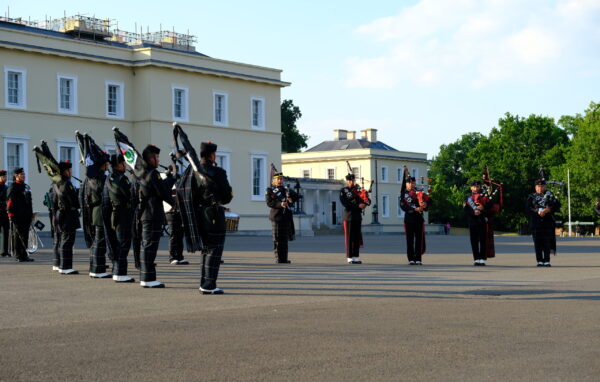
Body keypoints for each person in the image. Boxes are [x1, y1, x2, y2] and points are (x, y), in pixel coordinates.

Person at [193, 142, 233, 294]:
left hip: (199, 214)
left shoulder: (193, 171)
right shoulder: (217, 172)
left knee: (206, 250)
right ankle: (209, 284)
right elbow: (227, 196)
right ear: (212, 155)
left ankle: (204, 282)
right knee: (214, 250)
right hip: (213, 214)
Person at [138, 145, 176, 288]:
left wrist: (170, 176)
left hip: (147, 214)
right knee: (150, 247)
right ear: (151, 158)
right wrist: (174, 203)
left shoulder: (144, 172)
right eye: (157, 157)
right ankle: (148, 278)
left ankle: (146, 277)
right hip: (152, 214)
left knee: (148, 246)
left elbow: (160, 187)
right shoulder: (153, 173)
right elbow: (163, 192)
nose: (158, 159)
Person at [106, 154, 135, 282]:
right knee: (123, 244)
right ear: (118, 165)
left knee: (117, 243)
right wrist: (135, 180)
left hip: (114, 214)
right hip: (123, 214)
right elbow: (130, 194)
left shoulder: (109, 178)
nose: (125, 165)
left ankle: (116, 270)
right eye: (123, 163)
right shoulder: (123, 179)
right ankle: (120, 273)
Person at [86, 155, 112, 278]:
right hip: (99, 211)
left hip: (98, 211)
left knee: (99, 242)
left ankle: (97, 267)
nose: (108, 166)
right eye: (106, 164)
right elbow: (103, 192)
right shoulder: (98, 179)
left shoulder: (96, 178)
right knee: (99, 242)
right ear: (102, 166)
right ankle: (97, 269)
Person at [52, 161, 80, 274]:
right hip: (68, 214)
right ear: (65, 171)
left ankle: (62, 265)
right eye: (69, 170)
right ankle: (66, 267)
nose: (71, 172)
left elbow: (54, 201)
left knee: (64, 240)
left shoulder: (56, 183)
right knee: (67, 240)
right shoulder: (67, 184)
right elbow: (75, 201)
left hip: (60, 214)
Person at [526, 179, 560, 267]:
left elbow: (557, 207)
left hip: (547, 223)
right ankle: (539, 260)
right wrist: (537, 211)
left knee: (547, 242)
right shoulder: (531, 196)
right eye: (538, 186)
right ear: (535, 187)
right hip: (536, 222)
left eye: (542, 186)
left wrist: (549, 209)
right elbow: (527, 208)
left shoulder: (550, 195)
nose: (540, 188)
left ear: (545, 187)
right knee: (537, 242)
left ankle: (547, 260)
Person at [266, 170, 298, 264]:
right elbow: (269, 202)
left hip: (286, 217)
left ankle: (284, 258)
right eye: (278, 179)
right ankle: (278, 258)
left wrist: (291, 199)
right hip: (276, 217)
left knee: (284, 239)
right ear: (274, 180)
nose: (280, 180)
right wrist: (281, 204)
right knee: (277, 239)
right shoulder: (270, 190)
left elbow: (296, 196)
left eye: (281, 178)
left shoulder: (286, 189)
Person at [400, 176, 431, 265]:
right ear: (406, 184)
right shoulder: (404, 193)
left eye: (413, 183)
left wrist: (425, 204)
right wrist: (414, 209)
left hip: (419, 219)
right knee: (410, 240)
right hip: (409, 219)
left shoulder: (419, 191)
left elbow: (429, 201)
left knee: (419, 240)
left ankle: (418, 258)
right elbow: (403, 206)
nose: (411, 184)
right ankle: (411, 258)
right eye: (409, 183)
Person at [7, 168, 34, 262]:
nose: (23, 176)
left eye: (24, 174)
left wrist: (31, 214)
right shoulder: (13, 187)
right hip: (17, 215)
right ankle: (18, 255)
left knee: (25, 235)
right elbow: (10, 201)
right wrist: (10, 214)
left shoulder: (26, 186)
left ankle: (24, 255)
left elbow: (30, 202)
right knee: (18, 236)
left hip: (26, 215)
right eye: (21, 174)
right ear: (16, 176)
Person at [464, 181, 494, 266]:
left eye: (477, 186)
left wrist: (483, 208)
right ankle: (476, 258)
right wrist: (474, 212)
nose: (476, 188)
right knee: (474, 241)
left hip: (482, 220)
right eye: (474, 186)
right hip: (472, 221)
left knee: (483, 240)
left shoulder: (484, 197)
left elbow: (491, 206)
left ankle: (482, 258)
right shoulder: (467, 198)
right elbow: (466, 210)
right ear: (471, 188)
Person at [339, 173, 366, 264]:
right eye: (350, 181)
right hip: (349, 217)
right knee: (349, 238)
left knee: (357, 237)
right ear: (347, 181)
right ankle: (349, 257)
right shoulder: (344, 191)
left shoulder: (358, 190)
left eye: (353, 180)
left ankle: (356, 256)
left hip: (357, 216)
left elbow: (364, 201)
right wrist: (358, 205)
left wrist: (364, 203)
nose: (352, 182)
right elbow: (346, 204)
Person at [0, 170, 9, 257]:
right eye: (3, 177)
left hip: (5, 213)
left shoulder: (6, 187)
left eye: (5, 176)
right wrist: (3, 203)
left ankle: (5, 251)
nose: (5, 178)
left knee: (6, 232)